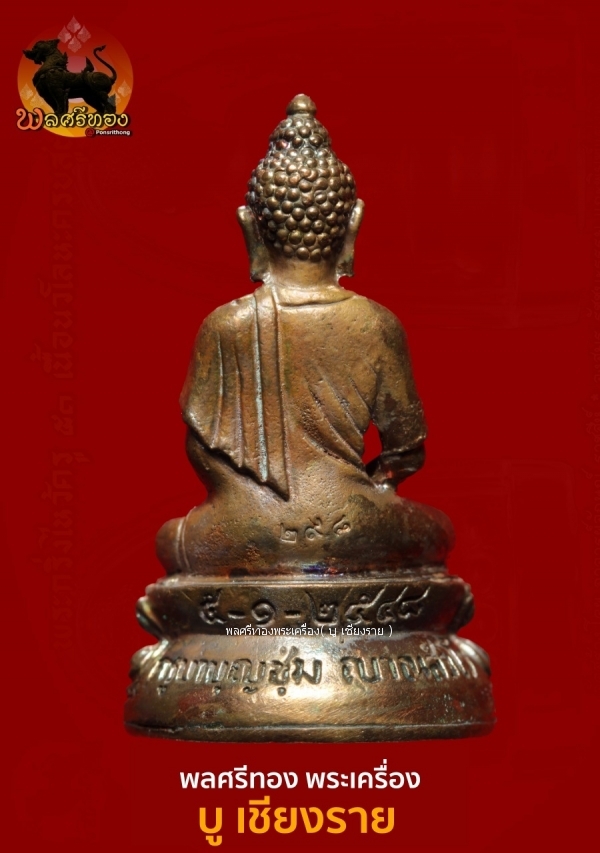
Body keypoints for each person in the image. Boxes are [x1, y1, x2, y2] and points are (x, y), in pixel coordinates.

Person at [156, 95, 453, 577]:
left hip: (248, 529)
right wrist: (367, 491)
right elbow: (405, 452)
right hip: (352, 524)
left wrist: (248, 503)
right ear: (353, 226)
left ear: (251, 229)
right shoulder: (377, 324)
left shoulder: (224, 326)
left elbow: (203, 454)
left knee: (173, 539)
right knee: (435, 531)